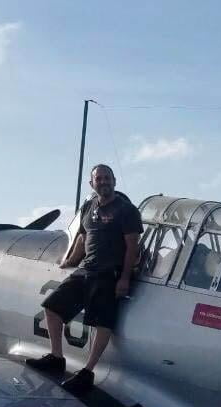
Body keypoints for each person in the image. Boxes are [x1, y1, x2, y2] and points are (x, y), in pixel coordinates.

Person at [26, 164, 143, 391]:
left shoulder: (126, 210)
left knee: (102, 323)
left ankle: (87, 371)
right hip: (86, 269)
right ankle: (57, 357)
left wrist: (125, 279)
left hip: (109, 274)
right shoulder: (89, 207)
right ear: (92, 184)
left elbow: (132, 247)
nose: (103, 182)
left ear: (114, 181)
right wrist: (70, 261)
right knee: (51, 307)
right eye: (98, 179)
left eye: (107, 178)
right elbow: (82, 238)